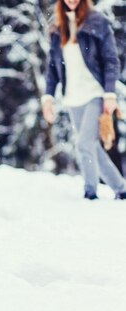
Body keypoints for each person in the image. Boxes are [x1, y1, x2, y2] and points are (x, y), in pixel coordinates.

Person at [41, 0, 125, 200]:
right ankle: (121, 188)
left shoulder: (97, 22)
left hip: (95, 93)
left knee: (84, 143)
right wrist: (48, 98)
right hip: (72, 97)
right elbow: (53, 67)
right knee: (92, 146)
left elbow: (111, 60)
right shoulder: (57, 27)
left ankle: (90, 191)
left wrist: (110, 94)